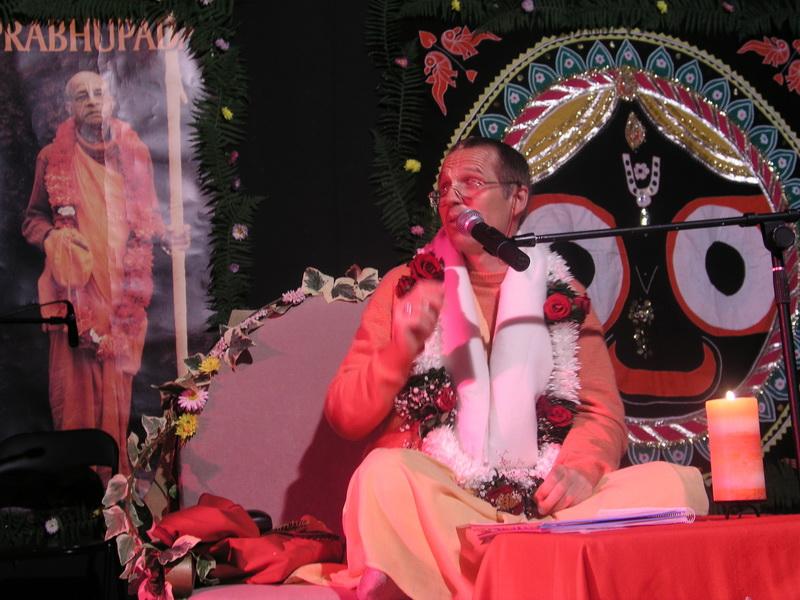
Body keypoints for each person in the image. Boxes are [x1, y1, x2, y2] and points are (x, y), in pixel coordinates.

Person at [324, 137, 708, 599]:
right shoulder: (405, 286)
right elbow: (345, 417)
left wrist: (581, 470)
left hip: (545, 508)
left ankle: (504, 569)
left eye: (470, 183)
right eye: (443, 188)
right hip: (448, 505)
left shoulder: (562, 293)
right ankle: (529, 575)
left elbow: (601, 413)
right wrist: (398, 351)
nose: (452, 198)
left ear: (517, 197)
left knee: (675, 486)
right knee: (382, 477)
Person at [22, 71, 167, 475]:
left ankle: (112, 484)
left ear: (111, 100)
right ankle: (73, 486)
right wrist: (53, 237)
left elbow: (148, 221)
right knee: (72, 392)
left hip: (122, 292)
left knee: (116, 394)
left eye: (98, 92)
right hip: (73, 293)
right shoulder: (51, 157)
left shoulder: (134, 152)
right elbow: (32, 220)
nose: (91, 100)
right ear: (69, 106)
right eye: (81, 95)